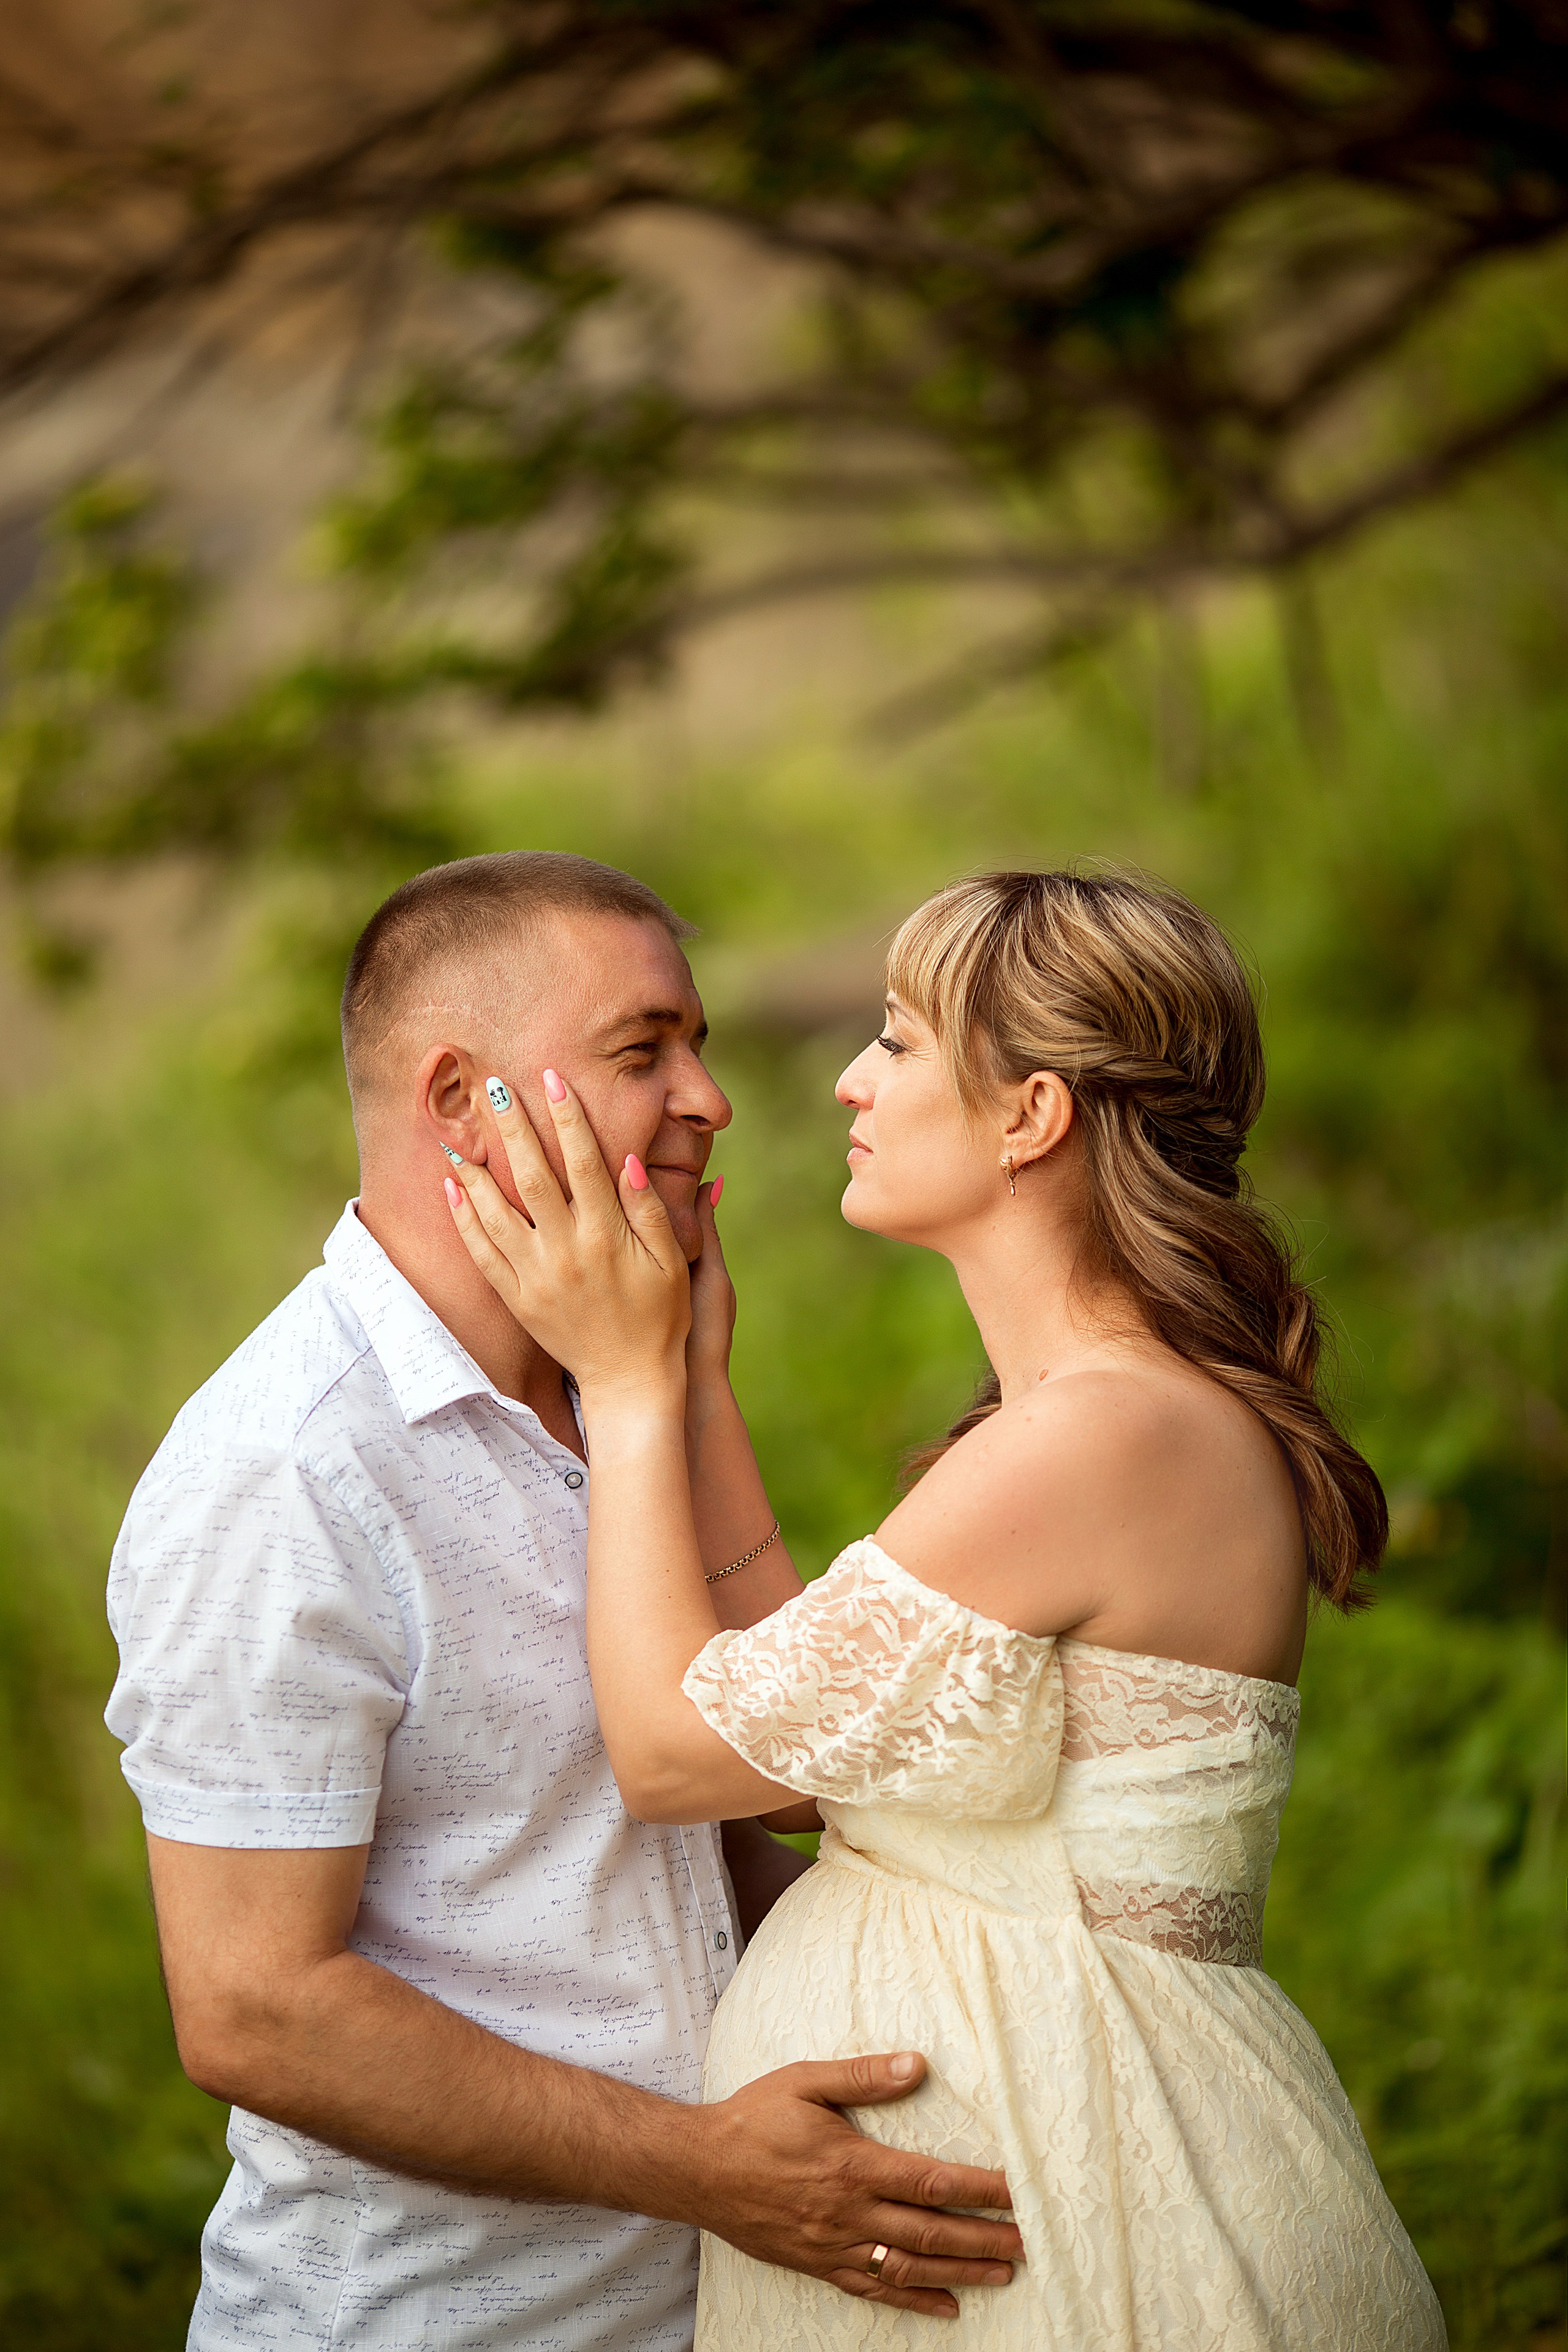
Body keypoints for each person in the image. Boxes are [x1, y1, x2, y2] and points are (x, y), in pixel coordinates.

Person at [443, 865, 1450, 2351]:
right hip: (1033, 2196)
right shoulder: (1069, 1428)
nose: (850, 1079)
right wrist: (701, 1382)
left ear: (1030, 1115)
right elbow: (792, 1757)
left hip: (1094, 2204)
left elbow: (672, 1758)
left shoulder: (1102, 1436)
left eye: (901, 1041)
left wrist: (622, 1381)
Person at [104, 851, 1025, 2351]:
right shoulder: (287, 1467)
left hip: (710, 2307)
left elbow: (715, 1831)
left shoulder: (616, 1388)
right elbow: (253, 2006)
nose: (709, 1099)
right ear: (462, 1101)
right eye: (641, 1049)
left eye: (699, 1045)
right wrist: (709, 2170)